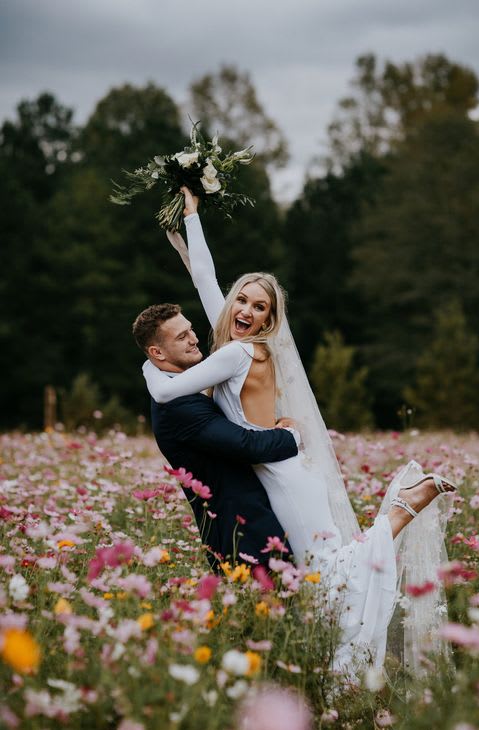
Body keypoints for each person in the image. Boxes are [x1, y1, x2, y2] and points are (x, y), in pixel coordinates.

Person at [142, 188, 458, 677]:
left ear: (272, 319)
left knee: (328, 574)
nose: (247, 310)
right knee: (317, 580)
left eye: (260, 307)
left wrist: (148, 366)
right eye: (242, 300)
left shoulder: (238, 353)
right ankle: (337, 667)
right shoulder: (231, 342)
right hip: (277, 469)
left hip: (283, 475)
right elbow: (203, 277)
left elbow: (166, 394)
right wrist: (193, 218)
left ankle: (402, 508)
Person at [132, 302, 300, 572]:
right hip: (240, 532)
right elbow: (248, 446)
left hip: (247, 524)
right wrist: (293, 435)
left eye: (190, 330)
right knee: (274, 608)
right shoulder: (178, 408)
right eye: (181, 337)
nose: (194, 339)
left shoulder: (179, 390)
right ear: (157, 352)